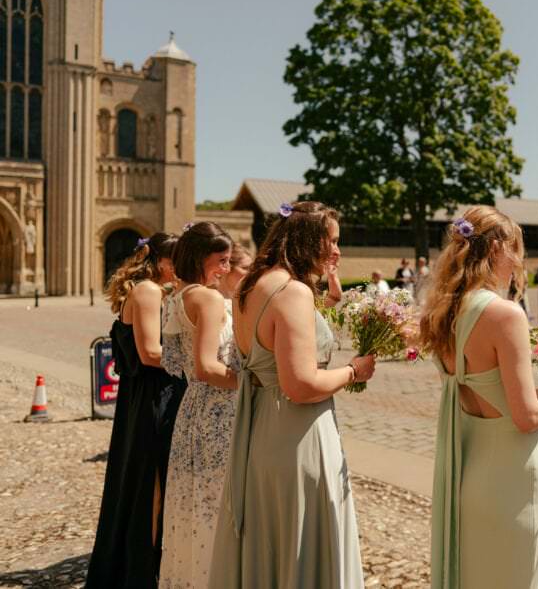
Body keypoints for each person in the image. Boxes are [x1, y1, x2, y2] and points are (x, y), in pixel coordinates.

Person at [211, 200, 375, 588]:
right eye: (331, 241)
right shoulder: (292, 292)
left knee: (272, 544)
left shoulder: (250, 286)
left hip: (260, 433)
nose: (337, 251)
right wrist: (354, 370)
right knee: (301, 545)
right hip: (298, 436)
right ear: (306, 239)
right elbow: (300, 385)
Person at [420, 206, 538, 589]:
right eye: (516, 250)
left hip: (471, 475)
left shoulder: (443, 312)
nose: (519, 262)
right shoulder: (504, 315)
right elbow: (525, 417)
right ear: (495, 247)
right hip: (512, 481)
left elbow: (487, 391)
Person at [87, 233, 186, 589]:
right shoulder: (147, 291)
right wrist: (199, 359)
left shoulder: (159, 290)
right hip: (149, 396)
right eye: (179, 259)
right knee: (150, 482)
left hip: (155, 393)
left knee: (154, 478)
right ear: (160, 261)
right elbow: (149, 353)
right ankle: (141, 569)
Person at [159, 222, 238, 587]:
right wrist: (253, 382)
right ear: (199, 258)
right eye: (220, 260)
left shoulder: (177, 296)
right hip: (219, 410)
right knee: (218, 506)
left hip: (192, 410)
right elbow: (207, 366)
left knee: (195, 506)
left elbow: (182, 365)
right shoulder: (205, 299)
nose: (225, 268)